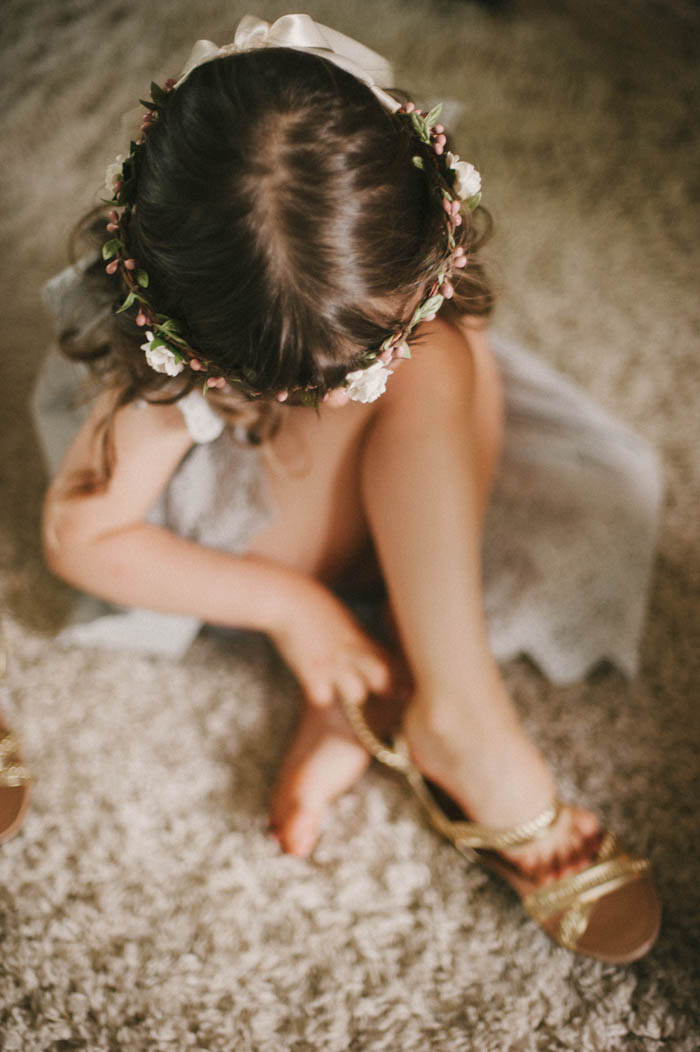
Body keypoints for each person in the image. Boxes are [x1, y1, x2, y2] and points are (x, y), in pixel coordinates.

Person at [36, 14, 661, 962]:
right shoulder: (159, 376)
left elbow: (457, 363)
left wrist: (416, 348)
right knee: (435, 375)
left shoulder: (382, 228)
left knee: (450, 354)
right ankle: (426, 682)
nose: (365, 382)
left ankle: (443, 699)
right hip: (237, 512)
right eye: (333, 379)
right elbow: (80, 538)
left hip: (390, 432)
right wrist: (294, 608)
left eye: (381, 346)